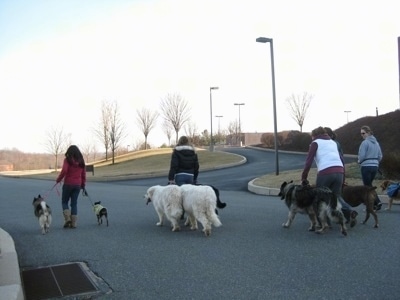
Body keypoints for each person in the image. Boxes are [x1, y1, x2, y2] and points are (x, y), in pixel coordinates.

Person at [301, 126, 358, 227]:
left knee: (319, 198)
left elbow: (308, 162)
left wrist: (304, 178)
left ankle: (324, 223)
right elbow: (342, 160)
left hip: (325, 172)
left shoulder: (315, 143)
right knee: (336, 196)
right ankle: (350, 211)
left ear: (314, 135)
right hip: (339, 171)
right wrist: (343, 177)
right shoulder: (333, 143)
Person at [56, 145, 86, 228]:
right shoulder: (81, 161)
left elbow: (64, 170)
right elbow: (83, 174)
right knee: (74, 204)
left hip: (68, 184)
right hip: (77, 185)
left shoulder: (67, 160)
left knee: (64, 201)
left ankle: (67, 218)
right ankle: (74, 223)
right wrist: (83, 185)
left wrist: (58, 179)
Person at [358, 125, 383, 210]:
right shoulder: (376, 143)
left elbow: (362, 156)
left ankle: (376, 202)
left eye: (363, 133)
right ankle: (376, 203)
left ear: (368, 133)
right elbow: (380, 156)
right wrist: (376, 162)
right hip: (375, 166)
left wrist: (359, 161)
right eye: (361, 134)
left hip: (366, 166)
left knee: (367, 186)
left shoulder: (365, 143)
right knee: (369, 185)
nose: (362, 135)